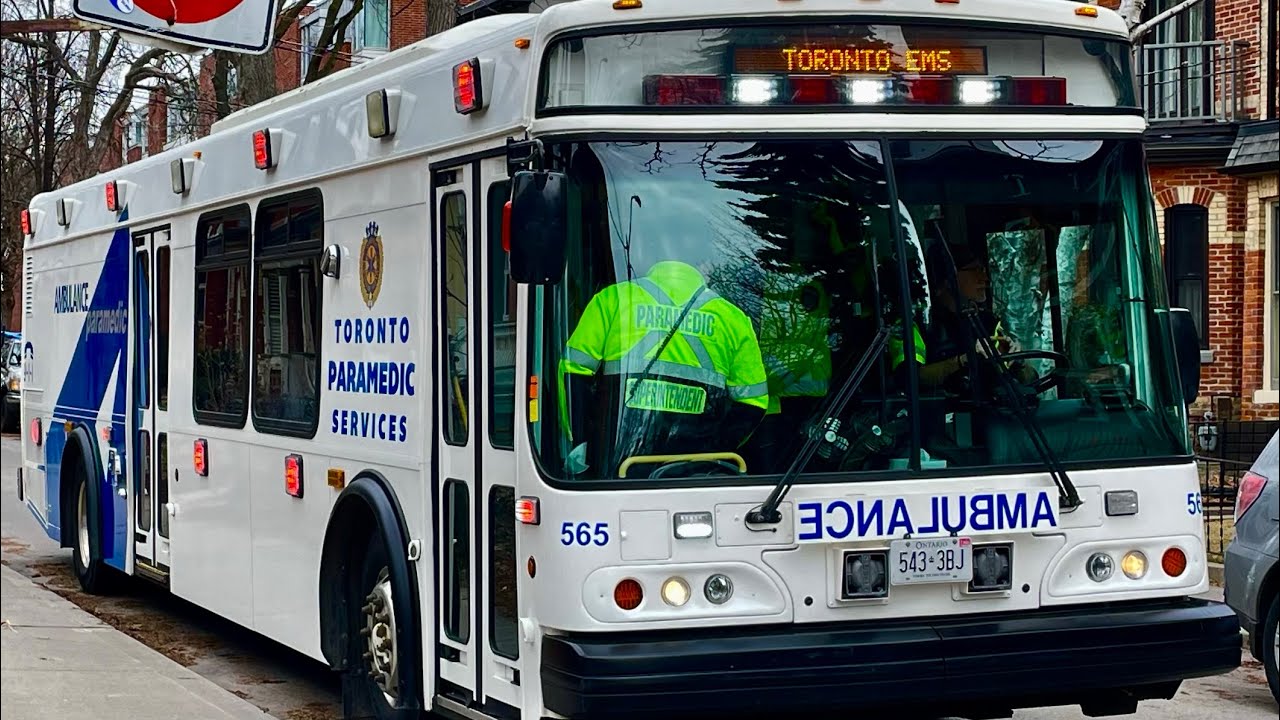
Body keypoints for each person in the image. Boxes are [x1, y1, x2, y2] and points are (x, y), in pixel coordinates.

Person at [558, 259, 770, 477]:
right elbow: (754, 401)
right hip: (698, 471)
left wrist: (586, 440)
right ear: (703, 264)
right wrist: (716, 447)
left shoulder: (612, 299)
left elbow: (571, 372)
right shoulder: (733, 318)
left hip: (620, 463)